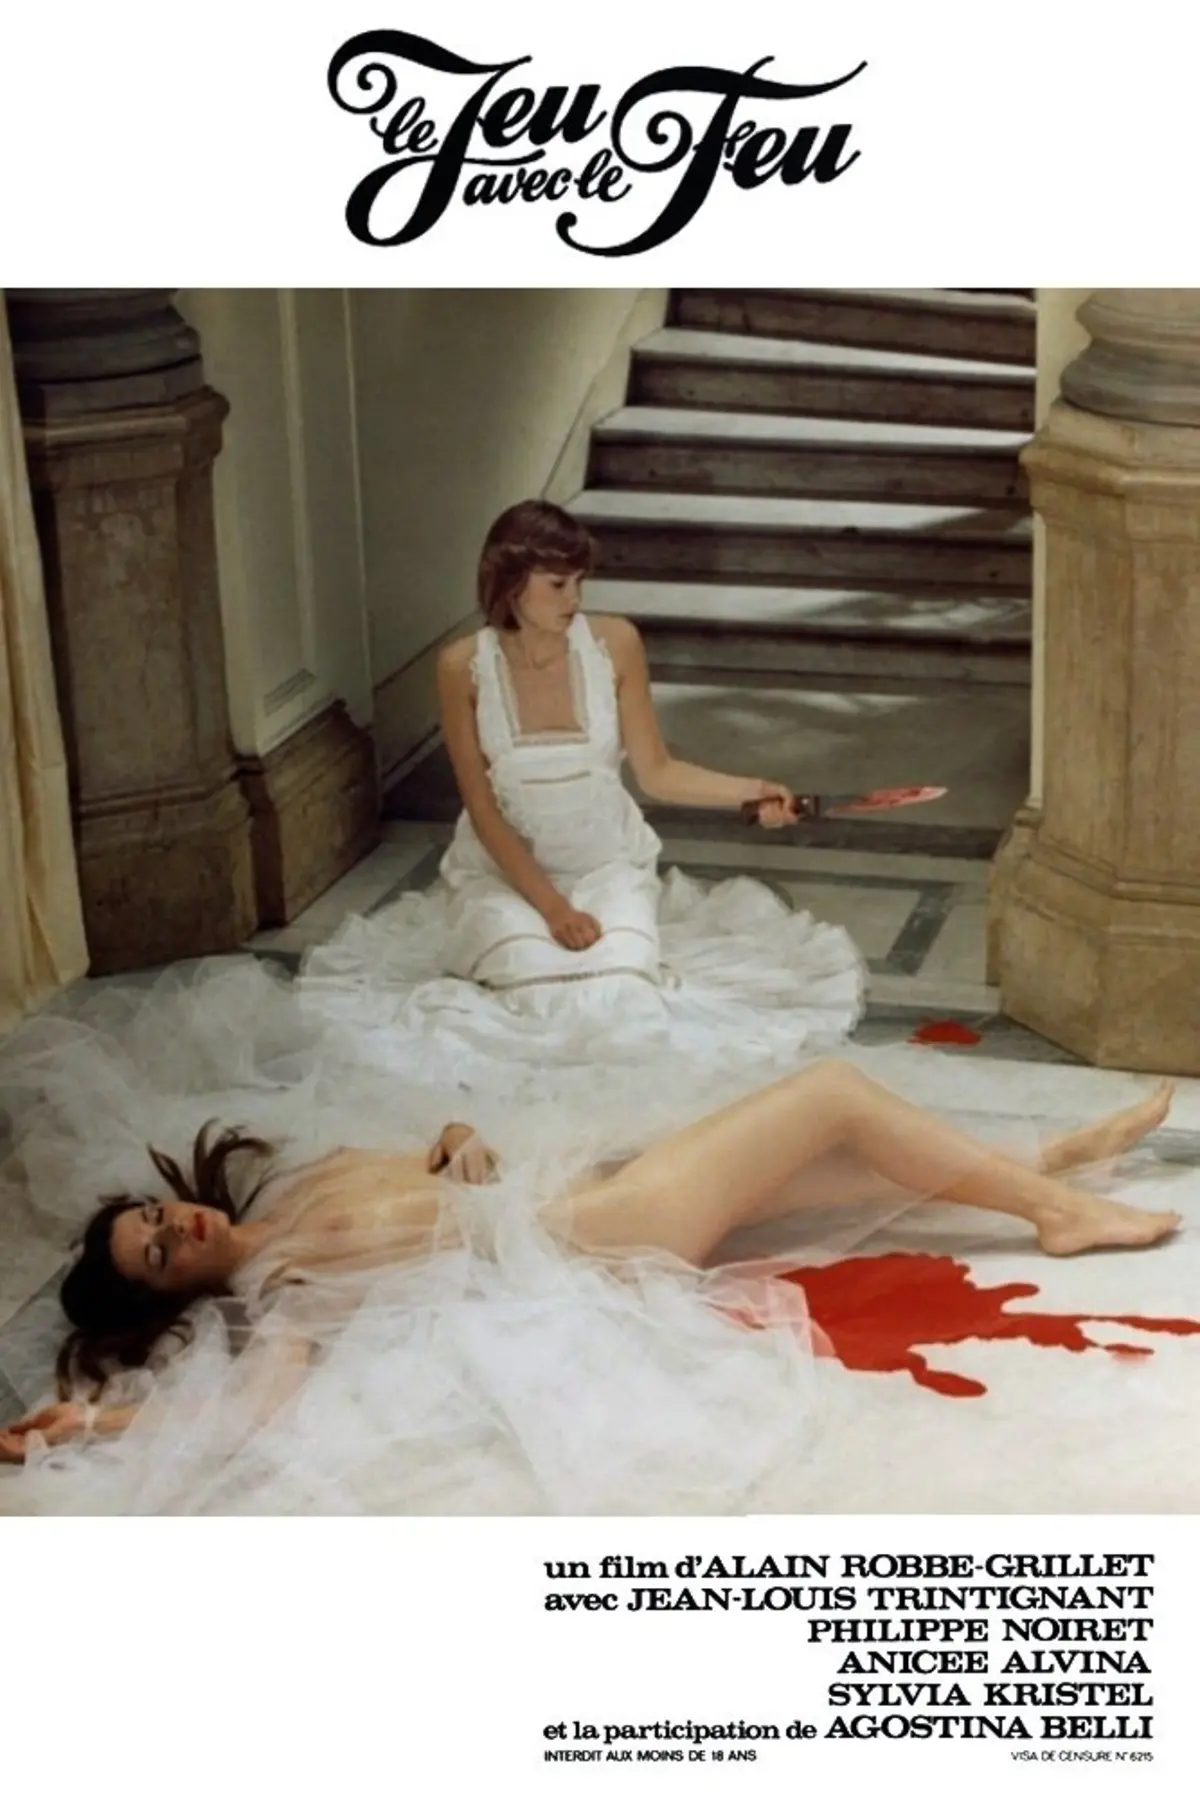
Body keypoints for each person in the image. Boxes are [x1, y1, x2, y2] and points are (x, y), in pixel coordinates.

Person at [0, 1060, 1179, 1502]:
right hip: (607, 1229)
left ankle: (1047, 1159)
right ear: (170, 1292)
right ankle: (1059, 1211)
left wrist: (458, 1139)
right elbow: (250, 1414)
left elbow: (436, 1143)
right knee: (827, 1093)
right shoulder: (285, 1288)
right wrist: (96, 1421)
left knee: (814, 1161)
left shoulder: (293, 1186)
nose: (178, 1225)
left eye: (155, 1214)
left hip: (575, 1177)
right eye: (160, 1252)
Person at [299, 499, 864, 1078]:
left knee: (620, 990)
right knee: (535, 988)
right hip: (508, 877)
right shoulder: (461, 665)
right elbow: (482, 809)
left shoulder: (615, 643)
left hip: (605, 866)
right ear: (511, 581)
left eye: (579, 582)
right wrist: (553, 909)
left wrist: (754, 789)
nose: (574, 599)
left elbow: (658, 772)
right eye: (557, 584)